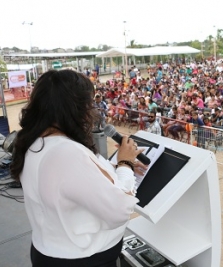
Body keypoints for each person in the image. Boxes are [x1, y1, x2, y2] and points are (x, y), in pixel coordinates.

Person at [10, 70, 145, 266]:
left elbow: (70, 183)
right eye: (88, 104)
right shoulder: (67, 152)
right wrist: (125, 164)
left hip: (48, 251)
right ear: (74, 108)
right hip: (82, 258)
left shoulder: (34, 141)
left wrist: (116, 166)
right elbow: (120, 210)